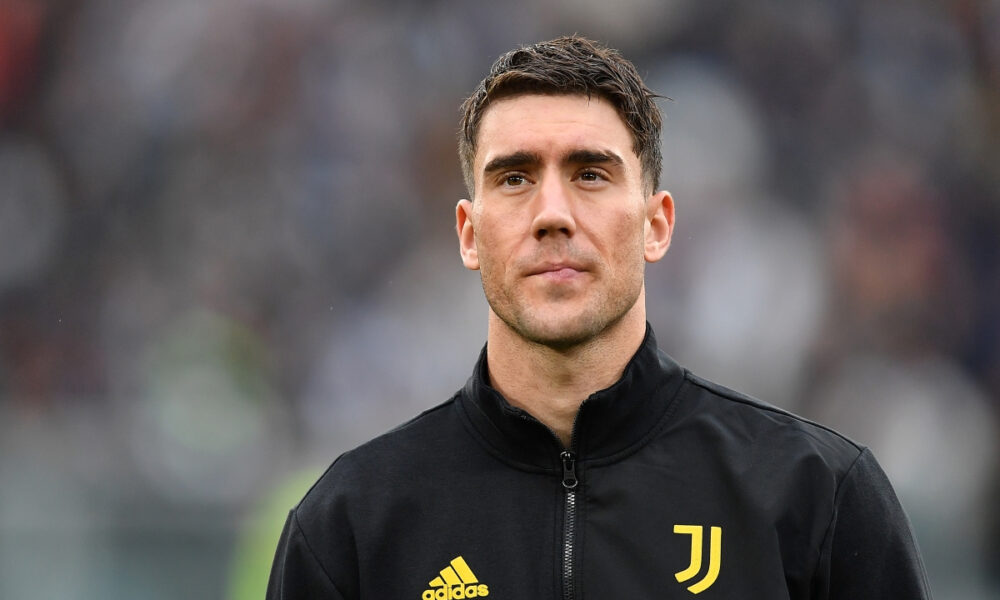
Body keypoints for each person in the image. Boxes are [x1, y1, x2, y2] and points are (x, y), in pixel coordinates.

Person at [266, 36, 931, 599]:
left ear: (656, 225)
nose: (552, 214)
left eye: (590, 174)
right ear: (469, 235)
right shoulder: (352, 525)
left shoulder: (817, 498)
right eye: (515, 178)